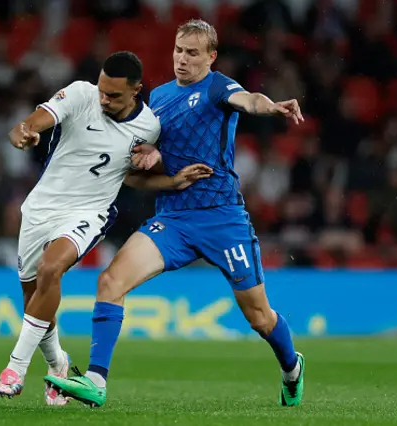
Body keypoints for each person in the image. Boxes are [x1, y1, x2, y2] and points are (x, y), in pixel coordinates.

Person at [45, 19, 306, 408]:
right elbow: (148, 148)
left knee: (259, 317)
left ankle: (292, 368)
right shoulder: (161, 97)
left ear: (211, 57)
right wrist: (152, 153)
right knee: (110, 281)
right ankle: (97, 381)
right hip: (175, 218)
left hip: (222, 217)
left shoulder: (217, 86)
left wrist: (271, 107)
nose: (182, 60)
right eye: (179, 51)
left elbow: (249, 100)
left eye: (193, 53)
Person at [0, 51, 213, 405]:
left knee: (52, 267)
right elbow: (42, 116)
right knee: (34, 297)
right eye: (102, 91)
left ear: (137, 90)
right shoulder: (82, 94)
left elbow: (131, 177)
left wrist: (170, 182)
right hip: (40, 208)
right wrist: (26, 129)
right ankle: (58, 364)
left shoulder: (150, 127)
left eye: (114, 95)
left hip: (89, 212)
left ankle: (14, 369)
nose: (104, 99)